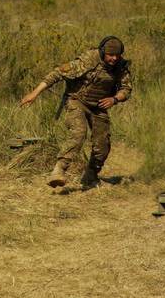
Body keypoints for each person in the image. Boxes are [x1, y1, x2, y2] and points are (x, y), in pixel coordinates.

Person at [20, 35, 133, 191]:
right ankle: (59, 170)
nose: (114, 58)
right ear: (102, 52)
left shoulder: (120, 66)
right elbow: (57, 73)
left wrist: (114, 99)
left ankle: (91, 176)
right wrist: (35, 93)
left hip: (99, 106)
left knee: (103, 145)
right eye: (110, 55)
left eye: (117, 55)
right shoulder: (87, 61)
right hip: (76, 100)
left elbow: (126, 89)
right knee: (78, 133)